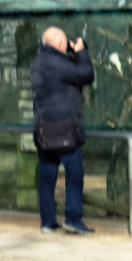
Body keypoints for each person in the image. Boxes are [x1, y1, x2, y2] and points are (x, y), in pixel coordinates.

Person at [31, 26, 95, 234]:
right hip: (65, 129)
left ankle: (48, 221)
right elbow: (86, 74)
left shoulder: (39, 62)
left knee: (47, 176)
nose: (66, 45)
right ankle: (73, 218)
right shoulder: (58, 63)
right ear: (59, 42)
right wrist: (81, 53)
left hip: (43, 130)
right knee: (74, 173)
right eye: (65, 41)